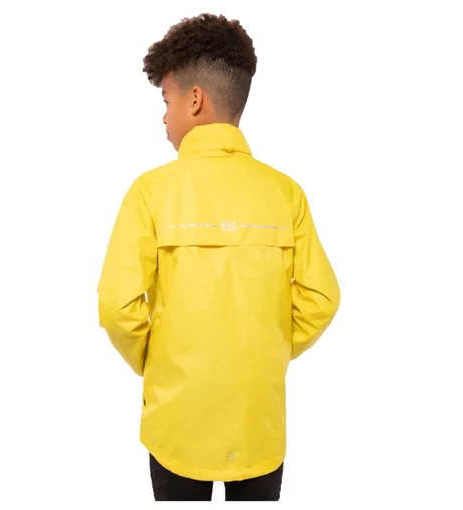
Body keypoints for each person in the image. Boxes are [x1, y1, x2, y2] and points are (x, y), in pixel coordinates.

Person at [97, 13, 340, 501]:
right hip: (258, 424)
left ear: (194, 99)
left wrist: (159, 362)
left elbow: (116, 306)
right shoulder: (286, 193)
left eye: (166, 100)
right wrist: (266, 349)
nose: (163, 117)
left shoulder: (150, 192)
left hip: (177, 424)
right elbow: (322, 298)